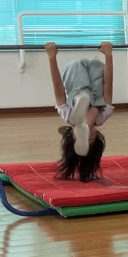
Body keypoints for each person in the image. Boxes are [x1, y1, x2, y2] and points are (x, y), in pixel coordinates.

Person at [46, 41, 114, 181]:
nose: (89, 134)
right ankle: (84, 107)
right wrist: (108, 55)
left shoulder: (66, 114)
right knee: (97, 105)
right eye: (90, 137)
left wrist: (52, 57)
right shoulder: (103, 116)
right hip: (96, 72)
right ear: (97, 136)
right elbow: (107, 84)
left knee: (81, 100)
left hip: (74, 73)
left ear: (73, 134)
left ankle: (80, 100)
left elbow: (57, 85)